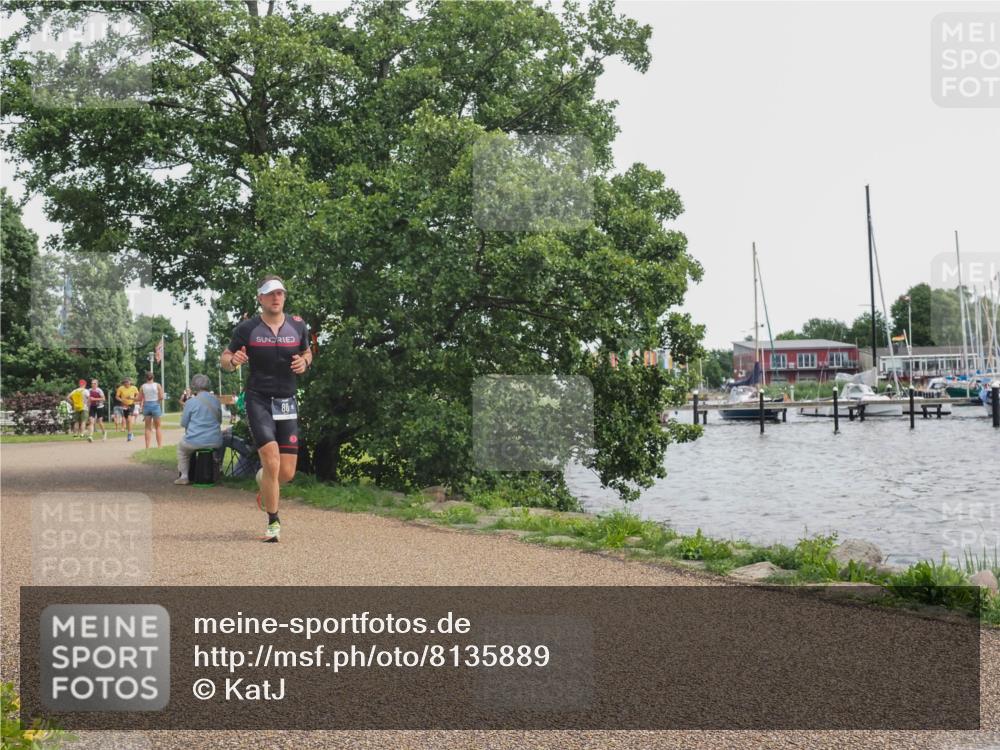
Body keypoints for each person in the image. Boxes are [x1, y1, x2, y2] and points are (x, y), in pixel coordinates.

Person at [221, 275, 311, 542]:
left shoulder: (297, 325)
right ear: (260, 298)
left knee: (286, 472)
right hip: (258, 399)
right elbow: (225, 358)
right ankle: (273, 522)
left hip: (287, 401)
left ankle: (265, 481)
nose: (276, 298)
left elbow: (307, 352)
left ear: (284, 297)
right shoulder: (247, 328)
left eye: (280, 293)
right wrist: (233, 361)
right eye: (270, 294)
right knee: (271, 460)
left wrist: (305, 362)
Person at [174, 374, 223, 485]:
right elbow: (219, 421)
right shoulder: (216, 401)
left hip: (194, 441)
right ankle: (215, 471)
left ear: (194, 386)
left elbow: (184, 423)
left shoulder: (190, 402)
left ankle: (184, 476)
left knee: (182, 449)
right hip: (215, 440)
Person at [137, 371, 165, 449]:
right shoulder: (157, 385)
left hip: (146, 405)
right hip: (155, 405)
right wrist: (157, 401)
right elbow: (161, 397)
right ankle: (159, 446)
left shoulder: (143, 386)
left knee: (147, 428)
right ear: (153, 377)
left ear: (145, 378)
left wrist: (131, 398)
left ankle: (147, 447)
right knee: (158, 427)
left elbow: (139, 398)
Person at [116, 377, 139, 441]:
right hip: (124, 405)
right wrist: (121, 400)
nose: (126, 383)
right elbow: (117, 396)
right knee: (127, 421)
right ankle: (131, 432)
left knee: (129, 419)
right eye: (125, 382)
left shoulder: (134, 388)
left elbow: (138, 396)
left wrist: (132, 398)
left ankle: (129, 434)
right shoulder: (121, 388)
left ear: (130, 382)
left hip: (131, 405)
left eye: (127, 382)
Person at [86, 378, 107, 442]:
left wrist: (94, 399)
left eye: (94, 383)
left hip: (99, 407)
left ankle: (104, 433)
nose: (93, 384)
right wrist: (88, 403)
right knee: (91, 421)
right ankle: (90, 436)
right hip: (92, 407)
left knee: (99, 422)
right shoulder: (89, 390)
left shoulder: (99, 390)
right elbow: (88, 399)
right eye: (92, 383)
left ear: (97, 384)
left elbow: (104, 399)